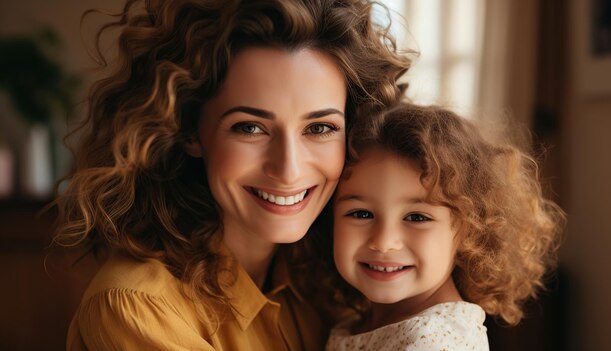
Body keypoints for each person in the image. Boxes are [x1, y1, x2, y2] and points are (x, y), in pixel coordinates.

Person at [52, 0, 410, 350]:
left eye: (319, 128)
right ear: (190, 130)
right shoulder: (139, 307)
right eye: (250, 128)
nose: (289, 170)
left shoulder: (331, 283)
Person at [323, 103, 565, 350]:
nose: (384, 241)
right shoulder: (356, 321)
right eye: (361, 213)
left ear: (470, 229)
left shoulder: (433, 340)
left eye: (417, 217)